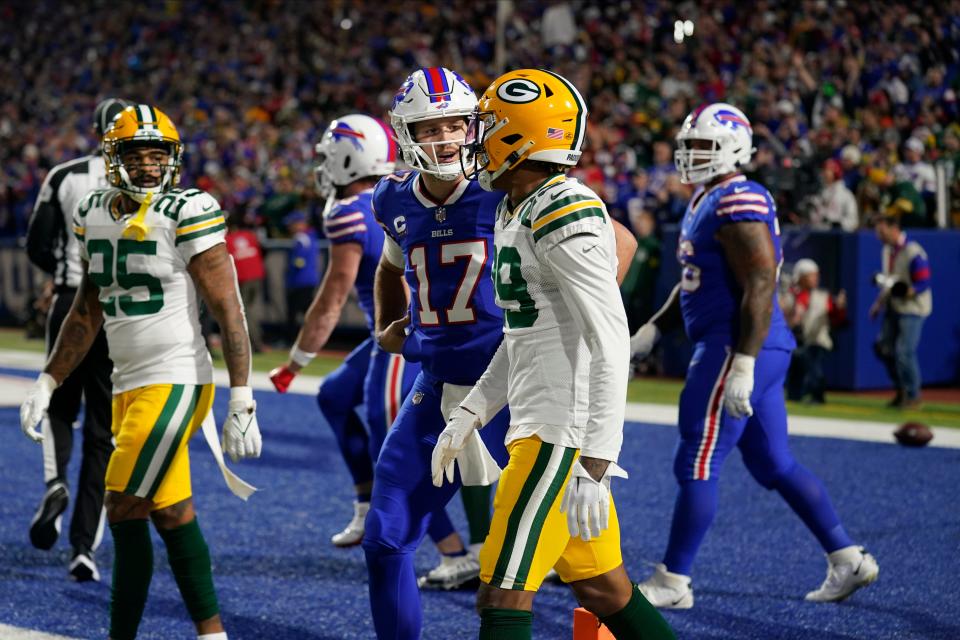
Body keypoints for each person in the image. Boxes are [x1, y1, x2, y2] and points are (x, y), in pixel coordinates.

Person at [434, 68, 675, 640]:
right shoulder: (516, 206)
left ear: (520, 134)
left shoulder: (563, 207)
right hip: (540, 422)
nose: (476, 139)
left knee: (501, 593)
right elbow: (524, 334)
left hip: (560, 437)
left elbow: (611, 338)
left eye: (487, 126)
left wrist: (595, 459)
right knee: (604, 588)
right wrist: (472, 412)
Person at [19, 104, 262, 640]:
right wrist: (49, 379)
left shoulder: (188, 208)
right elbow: (86, 309)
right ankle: (214, 634)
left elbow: (229, 307)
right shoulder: (95, 210)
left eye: (159, 154)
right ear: (113, 158)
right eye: (136, 153)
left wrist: (241, 396)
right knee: (171, 513)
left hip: (177, 379)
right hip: (128, 383)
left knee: (123, 504)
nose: (150, 165)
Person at [630, 103, 878, 609]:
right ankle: (846, 557)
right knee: (774, 463)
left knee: (697, 460)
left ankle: (673, 581)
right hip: (748, 345)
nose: (690, 155)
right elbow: (693, 280)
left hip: (735, 345)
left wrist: (742, 360)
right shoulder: (709, 197)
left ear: (732, 148)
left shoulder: (736, 197)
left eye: (700, 146)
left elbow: (762, 278)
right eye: (688, 146)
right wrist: (656, 327)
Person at [270, 115, 474, 578]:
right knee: (334, 396)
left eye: (329, 154)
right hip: (406, 331)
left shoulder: (354, 208)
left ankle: (454, 551)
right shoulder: (397, 191)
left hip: (403, 336)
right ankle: (366, 505)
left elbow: (332, 296)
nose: (324, 164)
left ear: (348, 156)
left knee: (394, 445)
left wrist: (297, 359)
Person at [363, 66, 512, 639]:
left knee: (576, 565)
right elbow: (388, 266)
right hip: (440, 382)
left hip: (516, 388)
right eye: (430, 128)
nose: (446, 138)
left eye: (455, 124)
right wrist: (385, 323)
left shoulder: (505, 185)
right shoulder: (394, 198)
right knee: (384, 537)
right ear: (405, 134)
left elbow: (615, 241)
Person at [24, 97, 128, 582]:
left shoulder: (64, 176)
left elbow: (36, 242)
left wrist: (60, 275)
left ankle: (54, 482)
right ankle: (84, 547)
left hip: (71, 301)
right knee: (103, 432)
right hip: (122, 313)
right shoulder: (143, 180)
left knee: (59, 405)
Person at [869, 211, 932, 408]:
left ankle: (914, 395)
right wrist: (879, 303)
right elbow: (890, 281)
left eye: (882, 231)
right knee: (883, 349)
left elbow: (923, 282)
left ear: (894, 228)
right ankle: (901, 389)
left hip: (912, 308)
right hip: (893, 306)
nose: (879, 236)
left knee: (904, 352)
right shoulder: (887, 251)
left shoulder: (913, 251)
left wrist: (906, 292)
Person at [783, 259, 847, 403]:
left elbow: (836, 319)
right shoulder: (790, 295)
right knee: (796, 364)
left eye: (816, 275)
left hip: (817, 340)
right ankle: (794, 395)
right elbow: (785, 316)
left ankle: (817, 395)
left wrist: (840, 308)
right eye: (811, 275)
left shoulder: (823, 296)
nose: (815, 279)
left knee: (812, 362)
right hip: (796, 340)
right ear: (801, 277)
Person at [225, 213, 266, 352]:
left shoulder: (227, 239)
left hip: (243, 279)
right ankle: (256, 341)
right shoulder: (249, 235)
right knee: (253, 311)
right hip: (257, 276)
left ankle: (254, 344)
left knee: (244, 312)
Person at [283, 210, 320, 343]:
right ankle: (313, 339)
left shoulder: (301, 238)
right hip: (310, 279)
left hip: (300, 281)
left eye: (292, 224)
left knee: (293, 313)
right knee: (308, 313)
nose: (289, 227)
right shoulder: (311, 236)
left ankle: (292, 341)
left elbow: (298, 262)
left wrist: (290, 276)